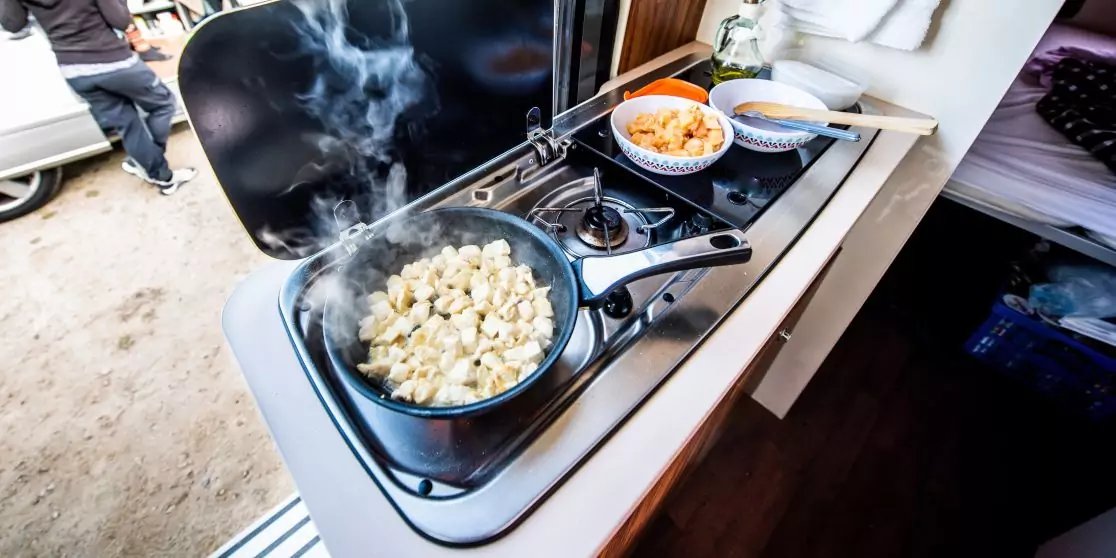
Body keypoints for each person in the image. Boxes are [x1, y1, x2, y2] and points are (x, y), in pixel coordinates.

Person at [1, 0, 196, 194]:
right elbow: (120, 21)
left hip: (74, 70)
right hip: (115, 62)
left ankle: (153, 168)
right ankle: (153, 165)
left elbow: (13, 24)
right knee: (164, 103)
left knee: (127, 124)